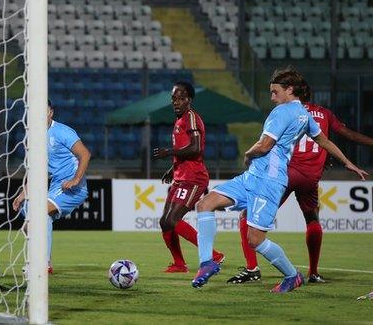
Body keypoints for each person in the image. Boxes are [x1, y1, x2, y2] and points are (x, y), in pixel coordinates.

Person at [191, 67, 368, 293]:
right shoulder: (304, 114)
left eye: (275, 92)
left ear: (289, 90)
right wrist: (347, 162)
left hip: (269, 182)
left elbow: (265, 145)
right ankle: (207, 263)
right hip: (253, 177)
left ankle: (293, 275)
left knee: (254, 238)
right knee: (205, 204)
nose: (272, 97)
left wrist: (247, 154)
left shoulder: (282, 112)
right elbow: (324, 141)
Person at [228, 81, 373, 284]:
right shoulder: (324, 114)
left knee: (247, 214)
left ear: (292, 92)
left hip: (287, 173)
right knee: (312, 218)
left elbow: (273, 143)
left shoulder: (289, 112)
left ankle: (252, 268)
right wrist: (351, 159)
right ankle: (313, 272)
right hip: (311, 177)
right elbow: (346, 135)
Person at [12, 100, 91, 274]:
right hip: (56, 186)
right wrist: (22, 193)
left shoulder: (62, 131)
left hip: (72, 187)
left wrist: (76, 179)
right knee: (31, 215)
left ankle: (41, 262)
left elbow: (85, 154)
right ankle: (43, 261)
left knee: (37, 214)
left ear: (50, 112)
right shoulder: (34, 137)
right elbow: (36, 170)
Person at [153, 82, 224, 273]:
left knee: (173, 220)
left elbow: (196, 148)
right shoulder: (180, 121)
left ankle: (214, 255)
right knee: (165, 222)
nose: (176, 102)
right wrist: (173, 167)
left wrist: (168, 152)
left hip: (193, 178)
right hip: (181, 177)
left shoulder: (191, 118)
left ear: (189, 100)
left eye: (181, 98)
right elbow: (185, 151)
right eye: (174, 98)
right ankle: (179, 264)